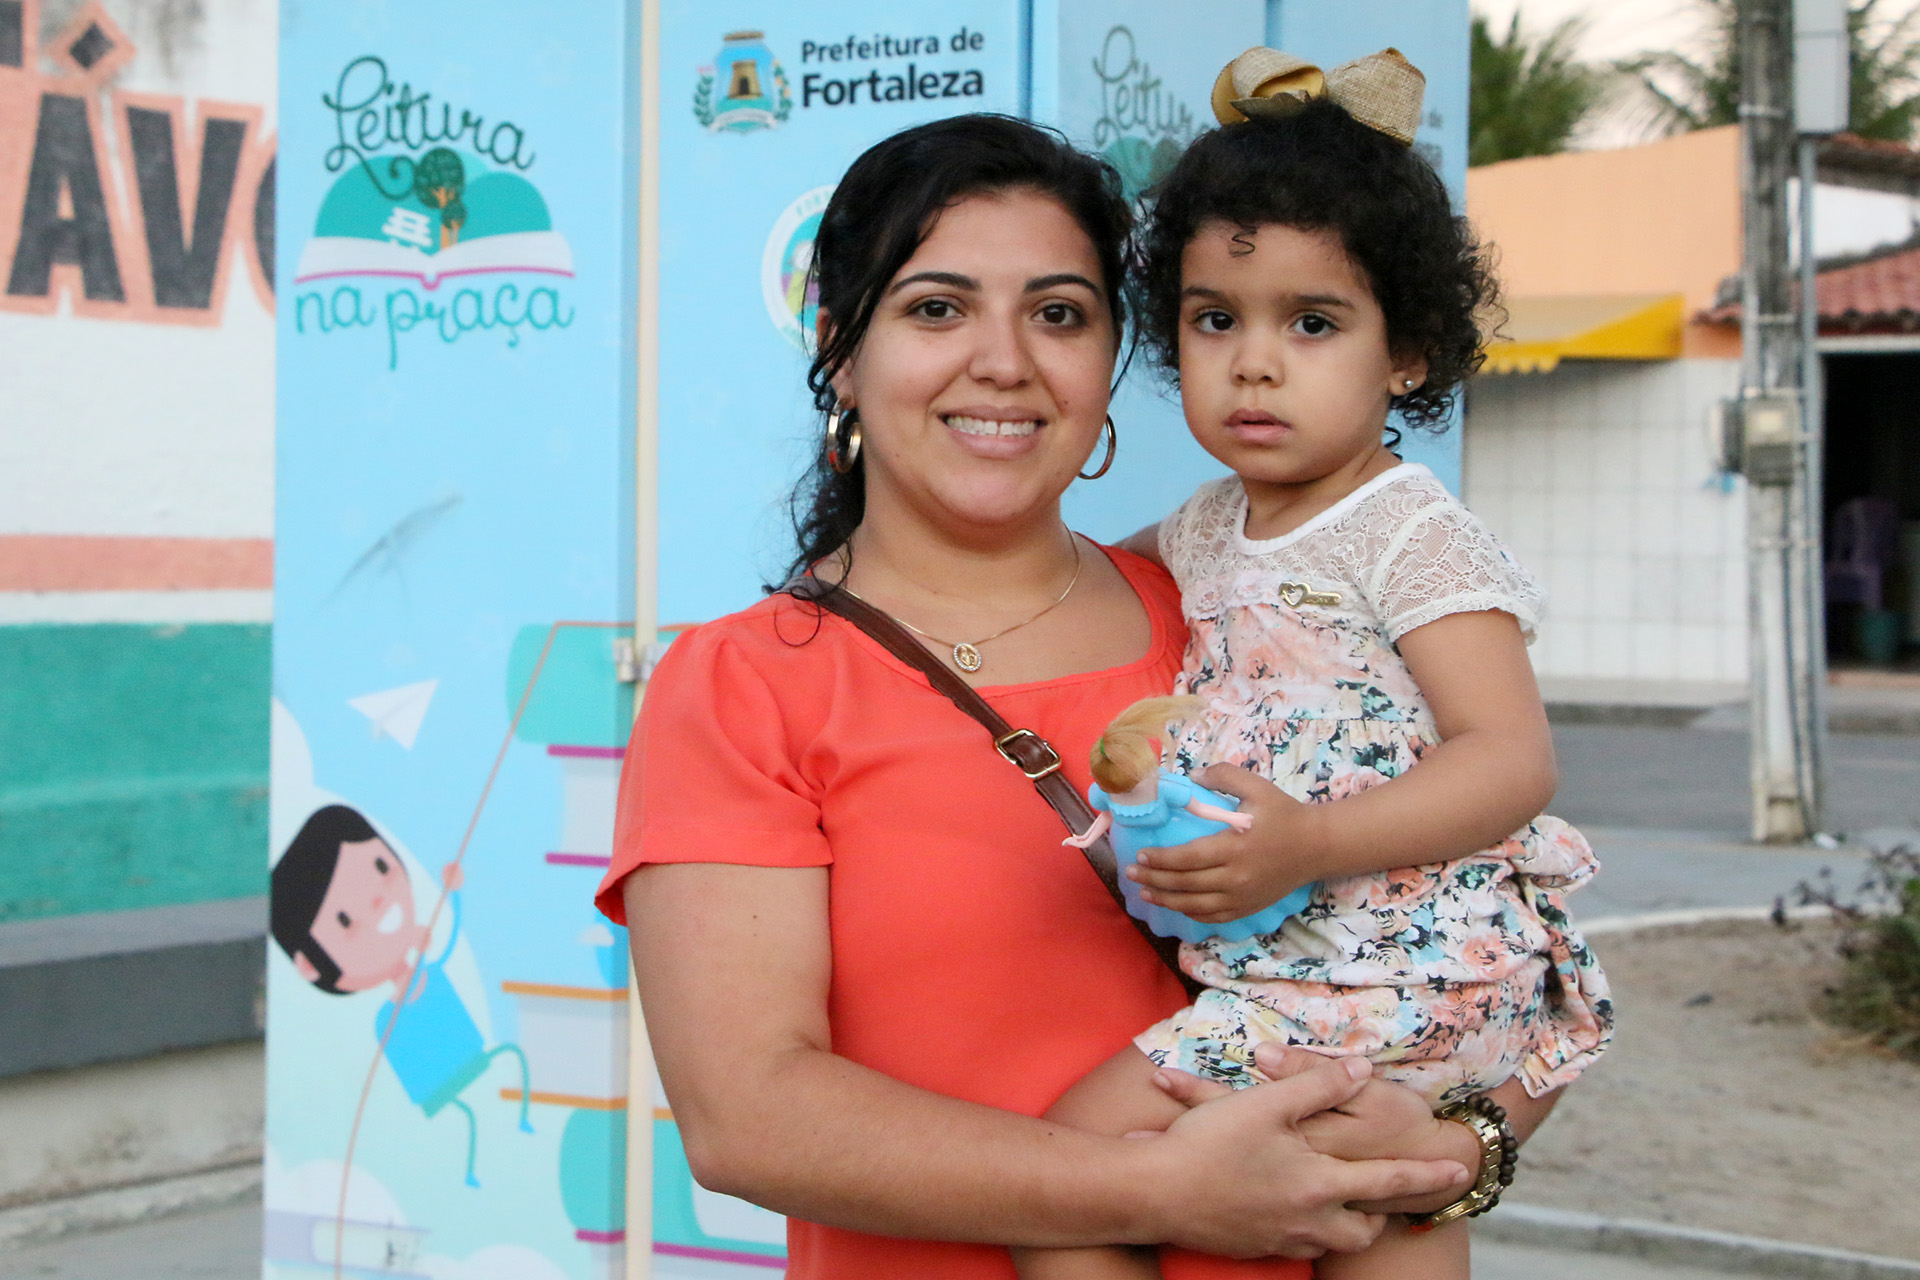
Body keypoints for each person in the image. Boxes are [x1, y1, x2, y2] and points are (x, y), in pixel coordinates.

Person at [594, 112, 1541, 1280]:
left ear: (1109, 358)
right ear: (841, 347)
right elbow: (749, 1118)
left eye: (1058, 313)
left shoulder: (1244, 614)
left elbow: (1481, 938)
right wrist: (1158, 1188)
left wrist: (1461, 1148)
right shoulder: (746, 685)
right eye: (936, 307)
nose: (1004, 360)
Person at [1009, 50, 1614, 1280]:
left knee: (1060, 1181)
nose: (1255, 360)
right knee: (1387, 1221)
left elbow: (1513, 758)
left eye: (1314, 322)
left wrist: (1305, 845)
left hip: (1382, 974)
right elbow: (1066, 581)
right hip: (1319, 970)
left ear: (1410, 354)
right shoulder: (1205, 523)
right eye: (1214, 318)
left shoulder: (1408, 527)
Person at [270, 803, 533, 1188]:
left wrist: (453, 896)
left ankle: (518, 1129)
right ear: (310, 965)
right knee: (471, 1113)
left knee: (507, 1071)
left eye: (381, 867)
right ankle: (478, 1166)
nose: (378, 899)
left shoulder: (427, 974)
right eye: (344, 919)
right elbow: (410, 1075)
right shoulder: (385, 1021)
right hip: (442, 1091)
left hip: (466, 1067)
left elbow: (450, 937)